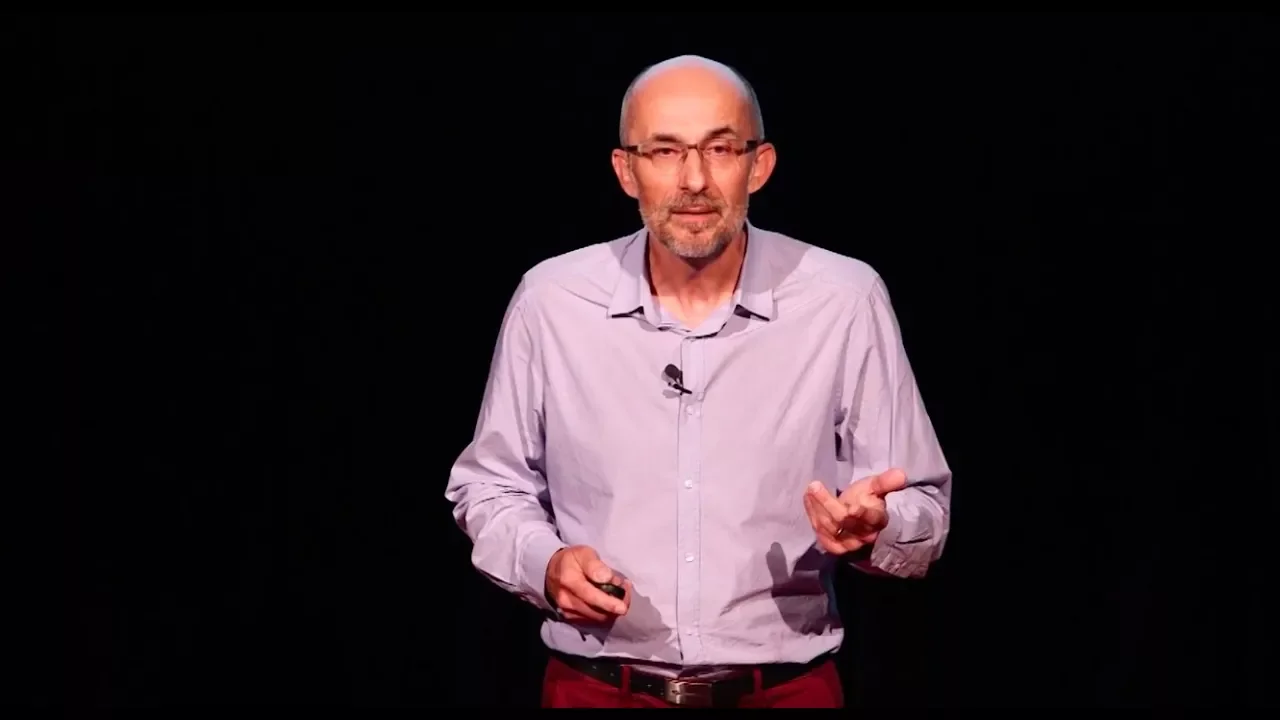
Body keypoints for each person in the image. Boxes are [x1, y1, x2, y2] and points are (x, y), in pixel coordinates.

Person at [444, 55, 951, 709]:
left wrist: (878, 527)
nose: (694, 180)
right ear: (626, 170)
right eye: (665, 151)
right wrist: (544, 563)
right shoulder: (552, 302)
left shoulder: (843, 299)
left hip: (785, 693)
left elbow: (925, 512)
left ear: (759, 165)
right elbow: (488, 486)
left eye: (720, 149)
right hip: (597, 690)